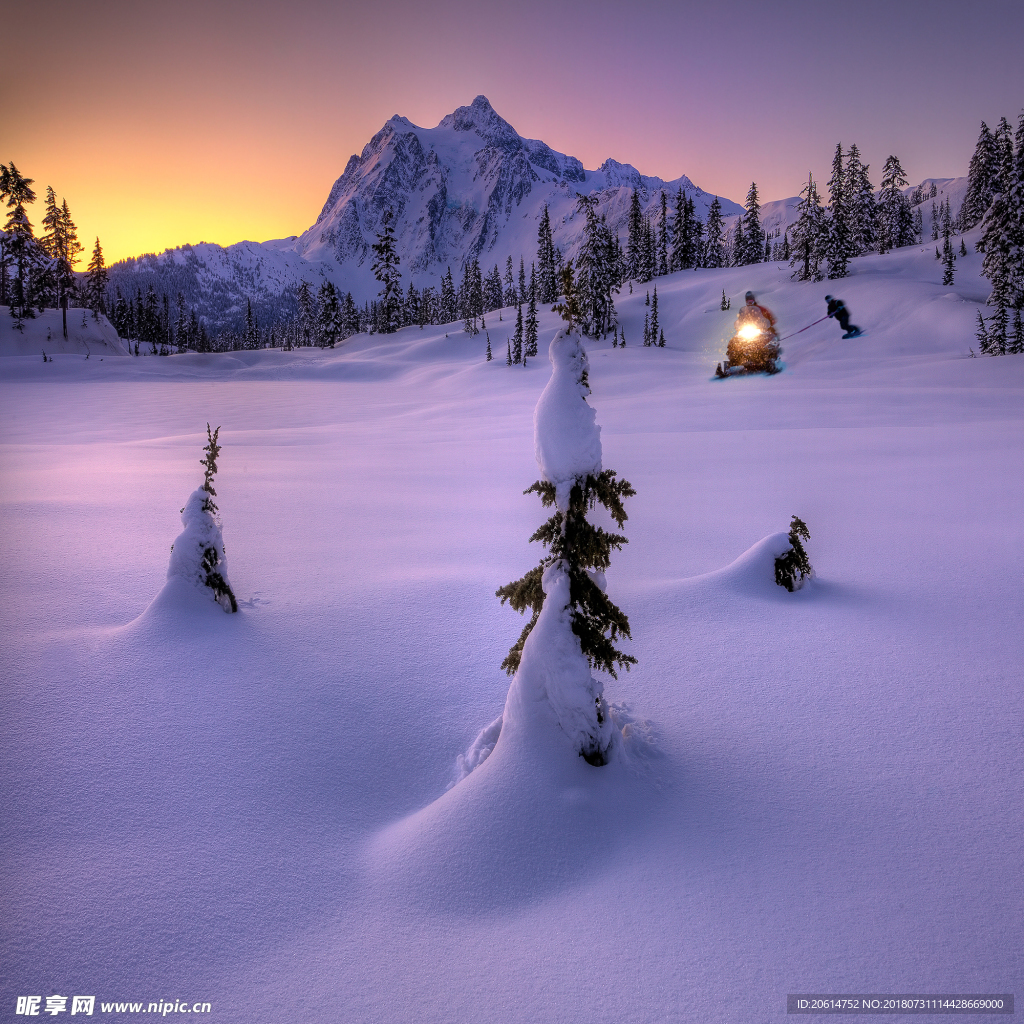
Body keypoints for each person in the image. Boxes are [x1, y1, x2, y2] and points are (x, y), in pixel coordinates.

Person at [723, 291, 780, 373]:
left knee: (770, 339)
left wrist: (771, 321)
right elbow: (740, 320)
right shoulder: (744, 310)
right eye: (748, 301)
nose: (749, 302)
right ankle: (733, 361)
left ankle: (772, 357)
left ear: (754, 300)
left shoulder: (761, 309)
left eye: (751, 300)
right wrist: (738, 324)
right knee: (734, 341)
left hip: (760, 329)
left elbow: (770, 317)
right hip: (747, 330)